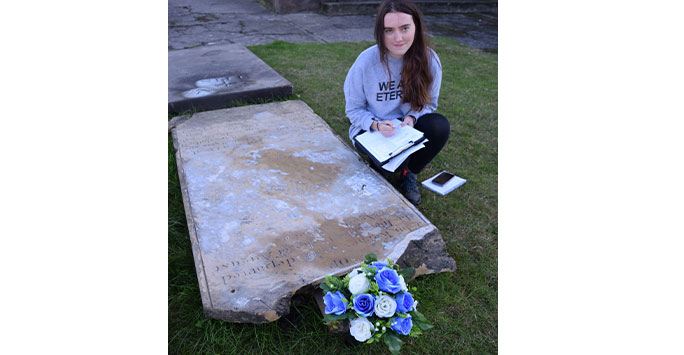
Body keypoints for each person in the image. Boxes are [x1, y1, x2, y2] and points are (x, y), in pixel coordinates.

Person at [344, 0, 450, 205]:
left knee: (438, 125)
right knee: (381, 170)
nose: (398, 38)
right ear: (380, 33)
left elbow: (429, 104)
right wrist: (376, 124)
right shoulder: (366, 62)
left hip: (405, 129)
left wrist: (411, 117)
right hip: (372, 130)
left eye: (404, 28)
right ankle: (382, 167)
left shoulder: (430, 60)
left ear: (416, 27)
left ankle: (408, 173)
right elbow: (354, 110)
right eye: (389, 30)